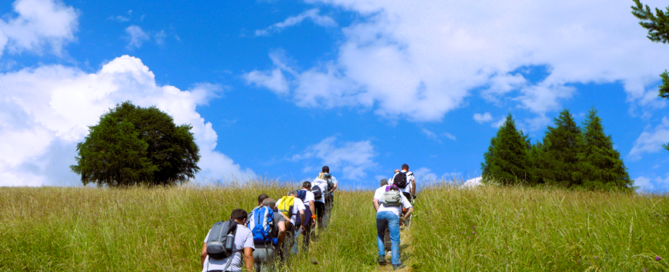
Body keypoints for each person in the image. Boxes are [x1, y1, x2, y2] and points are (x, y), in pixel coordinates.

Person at [373, 185, 413, 270]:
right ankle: (396, 264)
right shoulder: (400, 194)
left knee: (380, 234)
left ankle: (381, 256)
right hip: (393, 215)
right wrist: (403, 219)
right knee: (394, 239)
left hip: (380, 213)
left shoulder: (385, 193)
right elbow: (410, 209)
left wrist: (378, 211)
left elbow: (375, 201)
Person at [249, 197, 286, 272]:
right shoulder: (277, 216)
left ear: (262, 204)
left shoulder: (252, 214)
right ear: (274, 206)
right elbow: (282, 230)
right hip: (268, 248)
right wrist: (279, 242)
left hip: (253, 248)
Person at [276, 191, 306, 258]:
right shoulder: (297, 200)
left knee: (279, 241)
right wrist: (302, 224)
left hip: (279, 223)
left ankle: (278, 258)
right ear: (296, 195)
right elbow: (302, 212)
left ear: (287, 194)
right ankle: (288, 259)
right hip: (290, 223)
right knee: (289, 242)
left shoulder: (280, 200)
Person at [296, 181, 316, 250]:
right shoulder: (310, 193)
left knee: (295, 232)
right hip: (306, 211)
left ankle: (293, 249)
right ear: (310, 187)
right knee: (307, 233)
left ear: (302, 186)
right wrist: (314, 216)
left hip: (296, 211)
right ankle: (305, 249)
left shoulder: (297, 192)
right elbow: (311, 203)